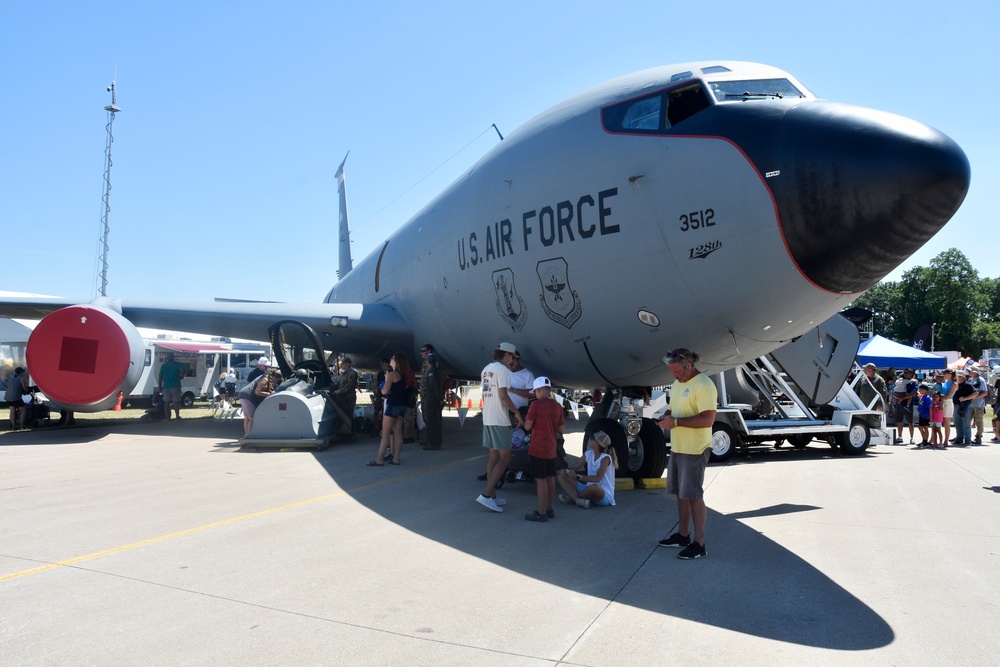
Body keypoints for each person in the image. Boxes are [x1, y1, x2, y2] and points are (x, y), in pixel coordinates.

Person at [656, 348, 717, 560]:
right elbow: (673, 411)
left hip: (695, 450)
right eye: (672, 373)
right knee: (681, 494)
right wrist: (666, 417)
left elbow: (708, 420)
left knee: (693, 495)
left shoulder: (704, 385)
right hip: (679, 447)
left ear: (688, 366)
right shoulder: (677, 383)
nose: (674, 376)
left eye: (676, 372)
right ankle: (683, 535)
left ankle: (699, 543)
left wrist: (677, 422)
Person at [476, 342, 524, 513]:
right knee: (505, 459)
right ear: (506, 355)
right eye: (512, 357)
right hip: (500, 419)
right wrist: (516, 412)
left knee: (494, 457)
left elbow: (488, 393)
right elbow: (503, 396)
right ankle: (487, 495)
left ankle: (493, 495)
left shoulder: (486, 369)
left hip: (488, 417)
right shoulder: (503, 370)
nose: (513, 360)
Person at [522, 376, 564, 522]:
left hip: (538, 447)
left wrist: (524, 422)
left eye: (536, 392)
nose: (536, 395)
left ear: (540, 390)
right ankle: (549, 508)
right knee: (550, 477)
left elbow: (527, 426)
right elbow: (561, 428)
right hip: (551, 447)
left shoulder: (535, 406)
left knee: (540, 480)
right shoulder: (558, 406)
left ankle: (541, 512)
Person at [557, 430, 617, 509]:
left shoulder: (605, 458)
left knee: (595, 487)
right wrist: (567, 472)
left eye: (592, 438)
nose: (590, 439)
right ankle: (578, 500)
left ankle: (573, 497)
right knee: (561, 476)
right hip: (588, 488)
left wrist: (577, 477)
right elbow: (575, 467)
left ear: (598, 444)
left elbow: (598, 478)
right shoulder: (588, 454)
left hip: (604, 495)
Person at [369, 353, 407, 466]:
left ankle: (379, 459)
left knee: (385, 433)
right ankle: (396, 458)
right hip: (401, 405)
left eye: (392, 358)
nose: (391, 360)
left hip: (392, 405)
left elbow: (384, 391)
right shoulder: (402, 374)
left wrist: (386, 381)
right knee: (398, 432)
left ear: (396, 362)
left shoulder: (391, 374)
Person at [239, 369, 281, 437]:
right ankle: (249, 436)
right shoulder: (265, 380)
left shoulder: (266, 378)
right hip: (248, 396)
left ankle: (246, 435)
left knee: (247, 418)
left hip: (243, 394)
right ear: (274, 377)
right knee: (251, 418)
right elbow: (257, 392)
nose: (277, 382)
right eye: (277, 380)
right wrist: (269, 394)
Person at [420, 352, 445, 450]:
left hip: (432, 399)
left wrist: (439, 399)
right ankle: (435, 441)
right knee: (435, 420)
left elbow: (434, 386)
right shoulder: (436, 370)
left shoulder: (432, 372)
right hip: (434, 399)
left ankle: (434, 442)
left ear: (428, 362)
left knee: (432, 421)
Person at [890, 369, 917, 444]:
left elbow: (913, 393)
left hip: (908, 404)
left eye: (907, 373)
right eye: (904, 373)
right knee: (899, 421)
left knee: (910, 422)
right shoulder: (900, 380)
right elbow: (893, 390)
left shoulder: (914, 383)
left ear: (911, 374)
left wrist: (903, 398)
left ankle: (911, 438)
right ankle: (900, 436)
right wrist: (898, 398)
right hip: (899, 403)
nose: (906, 374)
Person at [951, 370, 976, 446]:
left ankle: (968, 440)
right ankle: (959, 439)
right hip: (956, 406)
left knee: (966, 424)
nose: (956, 377)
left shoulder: (967, 385)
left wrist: (965, 398)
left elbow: (975, 393)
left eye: (958, 376)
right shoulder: (955, 385)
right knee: (958, 424)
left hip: (965, 406)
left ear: (962, 377)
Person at [333, 356, 359, 428]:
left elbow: (349, 386)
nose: (341, 365)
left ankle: (351, 433)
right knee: (343, 416)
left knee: (348, 416)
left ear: (347, 364)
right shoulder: (344, 374)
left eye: (343, 364)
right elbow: (339, 383)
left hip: (349, 399)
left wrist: (339, 391)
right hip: (343, 398)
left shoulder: (352, 373)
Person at [157, 353, 185, 420]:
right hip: (175, 385)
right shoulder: (177, 365)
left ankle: (167, 417)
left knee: (166, 402)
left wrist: (160, 386)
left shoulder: (164, 366)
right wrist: (181, 377)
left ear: (167, 358)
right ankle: (177, 417)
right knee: (176, 402)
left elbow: (160, 377)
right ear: (173, 358)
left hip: (166, 386)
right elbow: (183, 370)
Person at [967, 366, 989, 445]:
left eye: (970, 371)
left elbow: (985, 393)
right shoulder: (970, 380)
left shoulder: (981, 380)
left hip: (979, 405)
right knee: (967, 420)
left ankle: (978, 437)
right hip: (970, 404)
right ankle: (966, 436)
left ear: (975, 372)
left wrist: (975, 398)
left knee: (979, 422)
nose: (969, 372)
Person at [940, 369, 957, 444]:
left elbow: (948, 396)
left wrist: (939, 396)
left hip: (948, 402)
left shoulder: (954, 384)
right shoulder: (945, 383)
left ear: (950, 374)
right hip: (942, 401)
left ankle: (946, 440)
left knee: (946, 422)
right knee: (939, 421)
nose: (944, 375)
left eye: (945, 373)